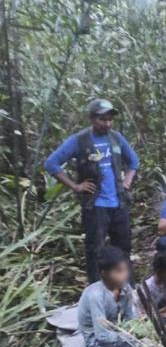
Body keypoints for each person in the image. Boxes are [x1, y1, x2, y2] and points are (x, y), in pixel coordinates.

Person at [44, 99, 140, 283]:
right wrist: (75, 186)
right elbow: (51, 163)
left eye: (110, 119)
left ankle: (127, 287)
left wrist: (126, 182)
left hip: (118, 203)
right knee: (95, 249)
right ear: (91, 118)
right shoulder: (79, 140)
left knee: (123, 247)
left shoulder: (116, 138)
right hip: (96, 206)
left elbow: (133, 161)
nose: (108, 123)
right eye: (102, 119)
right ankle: (97, 289)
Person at [77, 245, 137, 347]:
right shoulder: (96, 296)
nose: (125, 274)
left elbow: (130, 317)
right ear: (104, 273)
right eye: (119, 271)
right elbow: (102, 335)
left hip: (117, 330)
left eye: (126, 270)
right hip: (96, 339)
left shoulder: (125, 287)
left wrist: (135, 329)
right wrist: (128, 337)